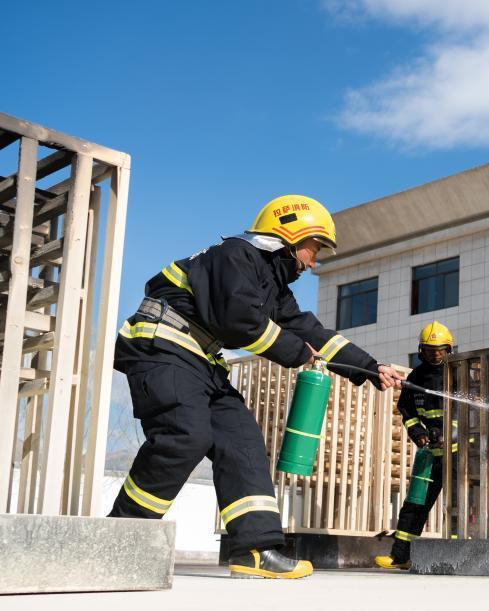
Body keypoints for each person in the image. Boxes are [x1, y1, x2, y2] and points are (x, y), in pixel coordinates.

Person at [109, 194, 403, 579]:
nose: (313, 263)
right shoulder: (235, 255)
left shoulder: (272, 287)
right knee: (185, 434)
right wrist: (298, 353)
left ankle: (254, 550)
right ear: (290, 236)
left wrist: (370, 367)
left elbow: (310, 330)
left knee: (243, 442)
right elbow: (238, 321)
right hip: (162, 345)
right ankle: (118, 538)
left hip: (202, 361)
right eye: (313, 250)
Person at [374, 321, 454, 570]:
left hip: (459, 457)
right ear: (421, 351)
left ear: (448, 349)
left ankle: (465, 553)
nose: (435, 354)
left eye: (440, 349)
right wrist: (418, 433)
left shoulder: (458, 373)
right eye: (430, 350)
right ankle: (400, 557)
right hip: (429, 455)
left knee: (462, 506)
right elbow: (405, 408)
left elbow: (468, 410)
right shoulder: (416, 376)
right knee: (414, 505)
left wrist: (447, 432)